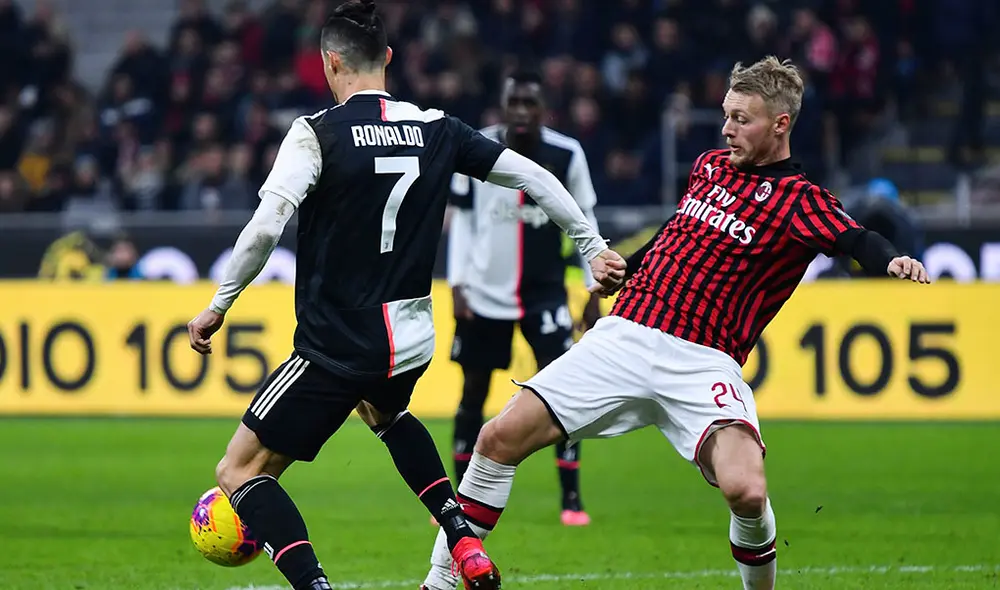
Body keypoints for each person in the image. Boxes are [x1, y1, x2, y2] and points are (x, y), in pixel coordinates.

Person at [419, 56, 930, 590]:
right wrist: (630, 267)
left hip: (702, 360)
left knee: (746, 492)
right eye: (727, 115)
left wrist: (891, 259)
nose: (728, 129)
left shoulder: (800, 201)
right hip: (626, 334)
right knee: (497, 438)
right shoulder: (710, 165)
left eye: (743, 119)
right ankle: (438, 582)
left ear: (781, 124)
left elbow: (856, 238)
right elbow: (679, 232)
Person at [184, 2, 626, 590]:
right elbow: (536, 177)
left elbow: (267, 226)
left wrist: (219, 303)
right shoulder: (438, 128)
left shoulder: (315, 134)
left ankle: (314, 586)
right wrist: (591, 246)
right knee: (386, 413)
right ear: (388, 59)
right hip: (410, 339)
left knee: (237, 471)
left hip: (338, 342)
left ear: (329, 62)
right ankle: (463, 539)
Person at [446, 70, 602, 527]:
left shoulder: (566, 153)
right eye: (513, 101)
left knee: (563, 395)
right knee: (473, 390)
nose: (520, 111)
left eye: (529, 103)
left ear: (543, 107)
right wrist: (456, 284)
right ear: (503, 104)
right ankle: (456, 503)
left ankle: (571, 499)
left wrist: (593, 289)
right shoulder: (476, 146)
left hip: (545, 293)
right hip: (484, 293)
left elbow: (584, 218)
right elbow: (462, 219)